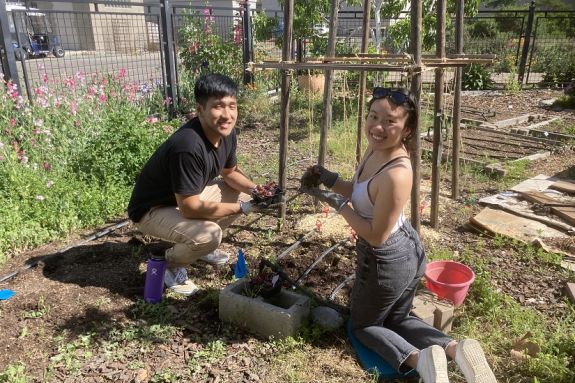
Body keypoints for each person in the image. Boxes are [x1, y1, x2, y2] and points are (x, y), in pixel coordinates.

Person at [300, 87, 497, 383]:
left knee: (363, 327)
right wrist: (328, 179)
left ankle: (420, 361)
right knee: (397, 320)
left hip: (385, 259)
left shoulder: (397, 173)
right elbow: (358, 191)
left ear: (407, 128)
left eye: (390, 121)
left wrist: (338, 205)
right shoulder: (375, 149)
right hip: (404, 252)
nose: (377, 127)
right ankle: (457, 350)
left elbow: (375, 235)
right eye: (373, 116)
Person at [128, 73, 271, 296]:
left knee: (242, 195)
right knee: (209, 235)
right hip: (152, 211)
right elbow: (189, 208)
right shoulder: (187, 146)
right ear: (200, 110)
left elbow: (230, 173)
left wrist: (256, 191)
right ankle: (170, 265)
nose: (227, 115)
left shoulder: (227, 133)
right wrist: (244, 209)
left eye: (232, 106)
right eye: (218, 106)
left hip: (181, 200)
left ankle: (200, 249)